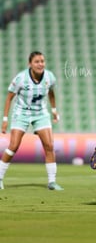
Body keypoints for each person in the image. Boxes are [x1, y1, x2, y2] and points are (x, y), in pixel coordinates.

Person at [0, 51, 63, 190]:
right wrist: (5, 119)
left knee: (49, 146)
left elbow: (51, 92)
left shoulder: (49, 76)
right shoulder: (21, 78)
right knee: (14, 146)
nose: (40, 64)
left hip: (40, 113)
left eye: (42, 61)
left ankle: (52, 182)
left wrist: (54, 110)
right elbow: (9, 98)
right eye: (37, 62)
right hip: (21, 113)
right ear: (30, 64)